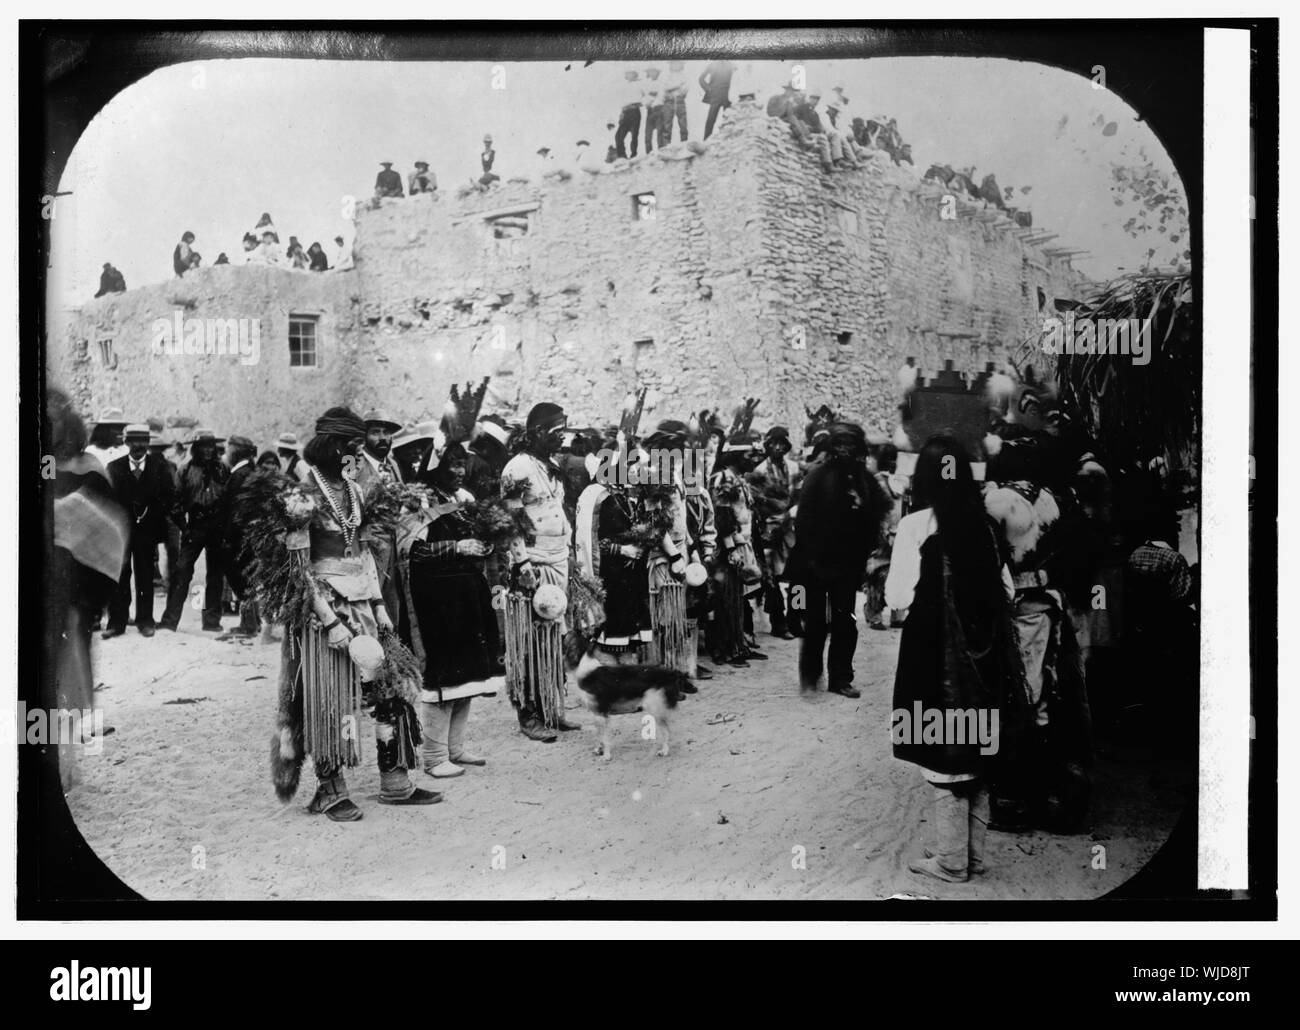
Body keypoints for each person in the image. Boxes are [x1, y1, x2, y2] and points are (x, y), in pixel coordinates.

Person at [261, 406, 438, 819]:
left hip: (362, 603)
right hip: (323, 609)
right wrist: (329, 621)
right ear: (328, 446)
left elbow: (365, 556)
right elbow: (298, 571)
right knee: (332, 696)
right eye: (349, 446)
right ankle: (330, 788)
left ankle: (395, 780)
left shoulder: (355, 492)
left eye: (357, 448)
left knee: (387, 690)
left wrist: (380, 609)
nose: (354, 455)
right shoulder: (301, 497)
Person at [887, 435, 1023, 884]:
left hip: (934, 657)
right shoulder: (986, 526)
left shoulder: (915, 525)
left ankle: (950, 861)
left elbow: (897, 597)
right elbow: (1007, 592)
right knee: (976, 752)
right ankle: (973, 855)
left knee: (942, 757)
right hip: (985, 660)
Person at [396, 437, 503, 779]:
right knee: (443, 675)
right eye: (452, 464)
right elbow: (413, 552)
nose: (459, 470)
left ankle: (455, 747)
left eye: (462, 464)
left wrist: (483, 547)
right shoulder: (420, 500)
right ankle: (433, 755)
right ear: (435, 465)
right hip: (438, 598)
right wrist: (458, 547)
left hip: (467, 593)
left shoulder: (463, 499)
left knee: (467, 673)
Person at [786, 422, 888, 698]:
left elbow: (877, 515)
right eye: (840, 445)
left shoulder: (864, 481)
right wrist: (812, 559)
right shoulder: (818, 477)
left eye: (850, 445)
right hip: (816, 565)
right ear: (832, 448)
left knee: (846, 623)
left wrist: (863, 552)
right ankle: (810, 675)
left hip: (848, 567)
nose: (844, 450)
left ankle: (841, 678)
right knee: (816, 622)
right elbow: (804, 523)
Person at [501, 402, 583, 740]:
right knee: (531, 641)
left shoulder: (549, 464)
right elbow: (511, 523)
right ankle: (529, 714)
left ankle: (552, 707)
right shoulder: (517, 467)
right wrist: (522, 565)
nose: (562, 439)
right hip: (533, 564)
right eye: (555, 432)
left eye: (564, 431)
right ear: (535, 433)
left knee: (555, 639)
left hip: (558, 560)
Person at [104, 424, 175, 639]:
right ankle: (117, 623)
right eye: (134, 440)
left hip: (147, 531)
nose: (139, 445)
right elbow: (108, 500)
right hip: (121, 532)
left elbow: (168, 497)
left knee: (145, 574)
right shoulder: (114, 467)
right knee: (120, 574)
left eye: (143, 440)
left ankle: (145, 621)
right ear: (125, 443)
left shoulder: (159, 467)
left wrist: (151, 514)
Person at [159, 429, 230, 632]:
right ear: (195, 448)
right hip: (195, 526)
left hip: (217, 525)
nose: (207, 450)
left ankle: (211, 621)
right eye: (203, 446)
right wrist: (184, 527)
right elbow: (175, 501)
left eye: (210, 446)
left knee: (215, 574)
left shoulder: (223, 469)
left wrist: (224, 526)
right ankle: (170, 620)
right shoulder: (185, 470)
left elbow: (229, 499)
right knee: (182, 570)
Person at [748, 425, 801, 639]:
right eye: (773, 444)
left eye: (782, 444)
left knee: (799, 577)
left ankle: (796, 618)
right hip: (769, 529)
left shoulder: (794, 468)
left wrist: (791, 513)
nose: (778, 447)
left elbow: (799, 494)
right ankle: (778, 622)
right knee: (771, 579)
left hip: (792, 527)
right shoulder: (760, 470)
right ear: (767, 446)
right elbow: (758, 502)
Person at [353, 409, 405, 618]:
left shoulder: (393, 465)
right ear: (364, 436)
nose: (383, 438)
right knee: (368, 605)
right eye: (375, 432)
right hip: (365, 544)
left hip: (394, 544)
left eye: (387, 432)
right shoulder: (354, 462)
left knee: (393, 605)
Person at [220, 435, 262, 637]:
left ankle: (248, 625)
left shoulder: (240, 475)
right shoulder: (249, 471)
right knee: (247, 579)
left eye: (229, 449)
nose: (226, 453)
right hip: (248, 537)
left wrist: (228, 538)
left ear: (236, 451)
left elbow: (236, 511)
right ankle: (253, 621)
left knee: (240, 579)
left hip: (238, 538)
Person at [864, 443, 906, 630]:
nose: (891, 463)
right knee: (879, 574)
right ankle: (874, 615)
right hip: (882, 534)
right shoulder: (876, 483)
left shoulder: (901, 481)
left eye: (894, 459)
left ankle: (897, 614)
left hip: (900, 532)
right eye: (888, 459)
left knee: (901, 573)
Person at [699, 59, 735, 138]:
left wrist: (732, 94)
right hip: (715, 96)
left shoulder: (731, 65)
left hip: (727, 96)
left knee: (728, 121)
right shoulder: (713, 65)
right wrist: (709, 89)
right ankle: (706, 140)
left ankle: (726, 142)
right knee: (711, 120)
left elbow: (735, 80)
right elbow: (701, 79)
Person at [615, 71, 642, 160]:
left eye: (631, 74)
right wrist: (621, 114)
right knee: (619, 136)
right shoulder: (625, 86)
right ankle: (622, 156)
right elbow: (622, 101)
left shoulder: (639, 84)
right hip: (625, 112)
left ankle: (633, 155)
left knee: (634, 135)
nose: (629, 76)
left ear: (634, 75)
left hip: (634, 111)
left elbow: (644, 97)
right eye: (628, 74)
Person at [661, 60, 689, 144]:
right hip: (669, 101)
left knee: (683, 124)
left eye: (677, 64)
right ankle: (666, 145)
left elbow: (685, 89)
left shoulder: (684, 76)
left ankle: (684, 143)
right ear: (671, 65)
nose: (675, 65)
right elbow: (665, 88)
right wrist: (677, 86)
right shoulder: (667, 76)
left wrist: (671, 89)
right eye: (673, 64)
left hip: (679, 101)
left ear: (681, 65)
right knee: (667, 124)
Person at [642, 66, 664, 155]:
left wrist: (651, 97)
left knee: (660, 133)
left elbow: (661, 96)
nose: (652, 74)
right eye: (650, 72)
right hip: (650, 111)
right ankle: (648, 154)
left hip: (659, 109)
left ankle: (661, 153)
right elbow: (644, 99)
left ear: (657, 73)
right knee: (648, 135)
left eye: (654, 72)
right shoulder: (647, 84)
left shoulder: (661, 83)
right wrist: (651, 97)